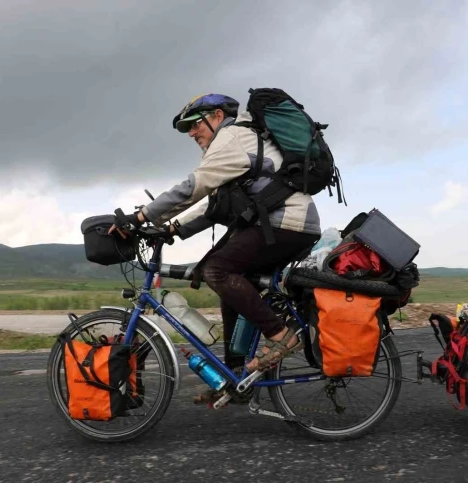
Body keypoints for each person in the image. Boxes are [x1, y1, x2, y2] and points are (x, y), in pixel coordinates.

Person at [109, 93, 321, 404]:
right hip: (283, 226)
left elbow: (194, 187)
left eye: (195, 124)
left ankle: (280, 335)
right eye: (188, 129)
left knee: (216, 270)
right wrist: (171, 228)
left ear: (218, 116)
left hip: (288, 225)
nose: (192, 133)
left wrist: (140, 217)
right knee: (232, 286)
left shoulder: (232, 137)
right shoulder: (237, 145)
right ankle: (236, 379)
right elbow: (214, 207)